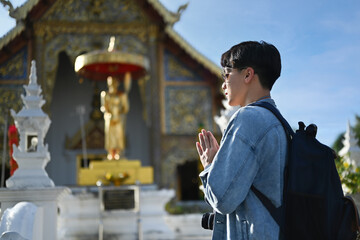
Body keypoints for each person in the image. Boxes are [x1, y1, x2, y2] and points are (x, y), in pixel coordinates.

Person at [196, 41, 287, 239]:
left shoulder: (248, 119)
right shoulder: (279, 123)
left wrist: (210, 165)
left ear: (248, 74)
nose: (223, 84)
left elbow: (222, 199)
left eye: (226, 74)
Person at [101, 73, 131, 160]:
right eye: (111, 82)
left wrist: (118, 112)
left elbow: (126, 108)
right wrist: (109, 112)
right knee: (110, 137)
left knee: (118, 136)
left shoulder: (121, 95)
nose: (113, 84)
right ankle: (111, 154)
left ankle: (118, 153)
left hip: (118, 119)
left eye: (115, 82)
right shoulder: (105, 95)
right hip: (109, 119)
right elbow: (103, 107)